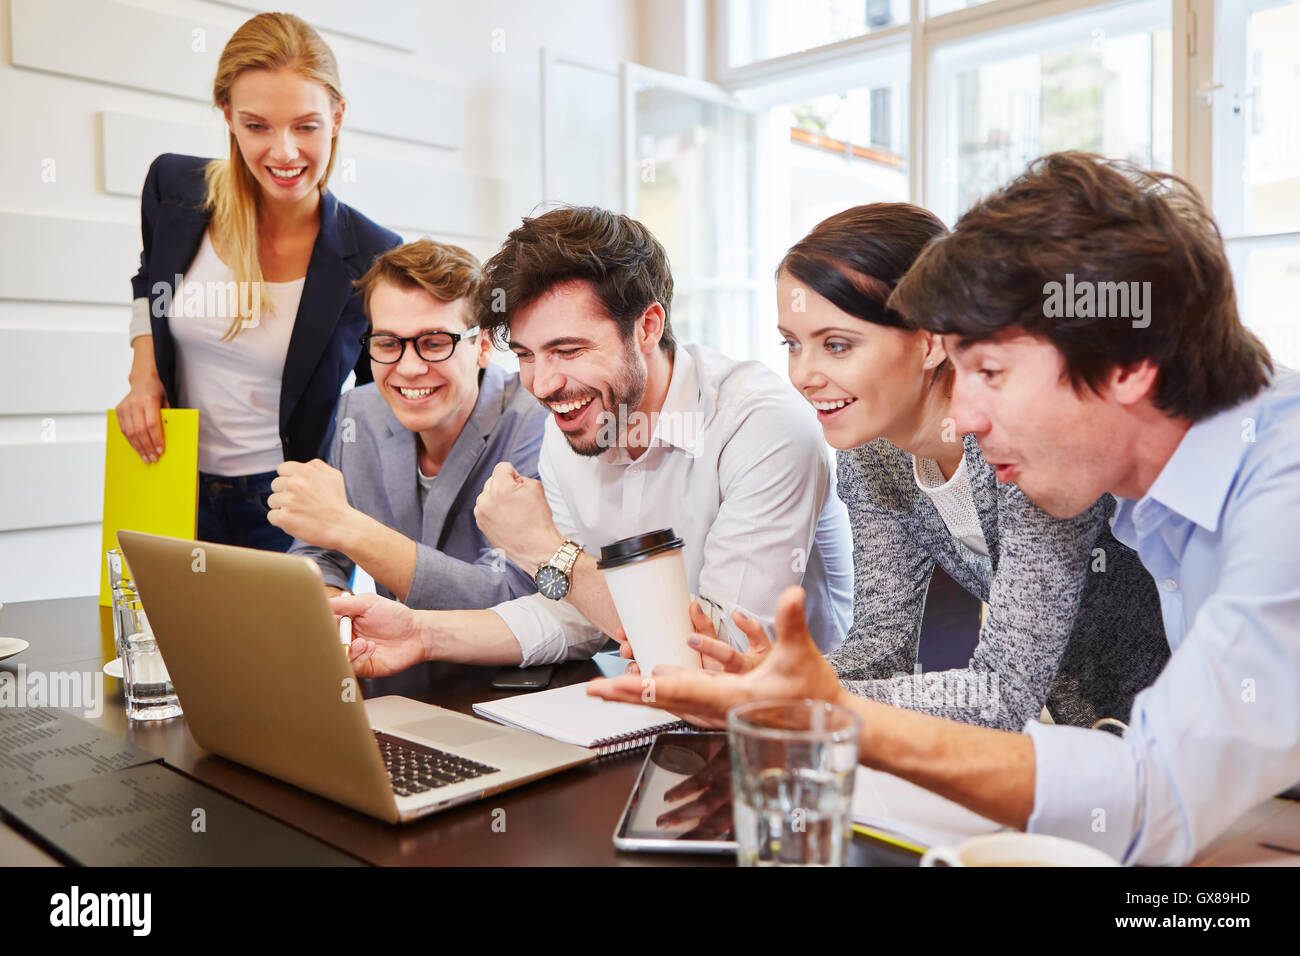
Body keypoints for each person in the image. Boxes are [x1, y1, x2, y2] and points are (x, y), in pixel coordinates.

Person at [589, 151, 1300, 866]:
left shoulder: (1281, 488)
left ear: (1126, 364)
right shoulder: (1158, 494)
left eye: (988, 371)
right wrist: (806, 696)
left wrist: (833, 710)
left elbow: (1147, 793)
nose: (963, 412)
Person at [623, 204, 1167, 731]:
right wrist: (763, 682)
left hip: (1180, 732)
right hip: (1093, 735)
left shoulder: (1021, 441)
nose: (804, 375)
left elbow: (1001, 695)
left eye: (836, 345)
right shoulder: (871, 449)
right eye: (792, 344)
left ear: (930, 342)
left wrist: (801, 695)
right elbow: (880, 652)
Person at [331, 206, 854, 672]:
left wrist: (544, 548)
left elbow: (720, 658)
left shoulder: (760, 426)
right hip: (662, 707)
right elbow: (576, 616)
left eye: (568, 349)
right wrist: (421, 633)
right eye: (528, 355)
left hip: (798, 723)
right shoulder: (575, 422)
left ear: (647, 326)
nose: (542, 385)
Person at [116, 12, 400, 551]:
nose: (285, 152)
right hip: (167, 479)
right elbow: (147, 280)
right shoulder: (173, 187)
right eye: (257, 125)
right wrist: (143, 375)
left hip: (288, 503)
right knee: (157, 635)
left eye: (306, 125)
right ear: (226, 115)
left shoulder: (374, 255)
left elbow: (378, 399)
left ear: (337, 117)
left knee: (273, 639)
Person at [268, 240, 548, 608]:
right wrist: (334, 611)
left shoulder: (536, 421)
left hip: (510, 665)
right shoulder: (358, 412)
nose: (409, 369)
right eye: (387, 343)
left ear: (482, 346)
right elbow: (319, 554)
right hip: (391, 661)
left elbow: (517, 593)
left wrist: (351, 528)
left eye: (434, 343)